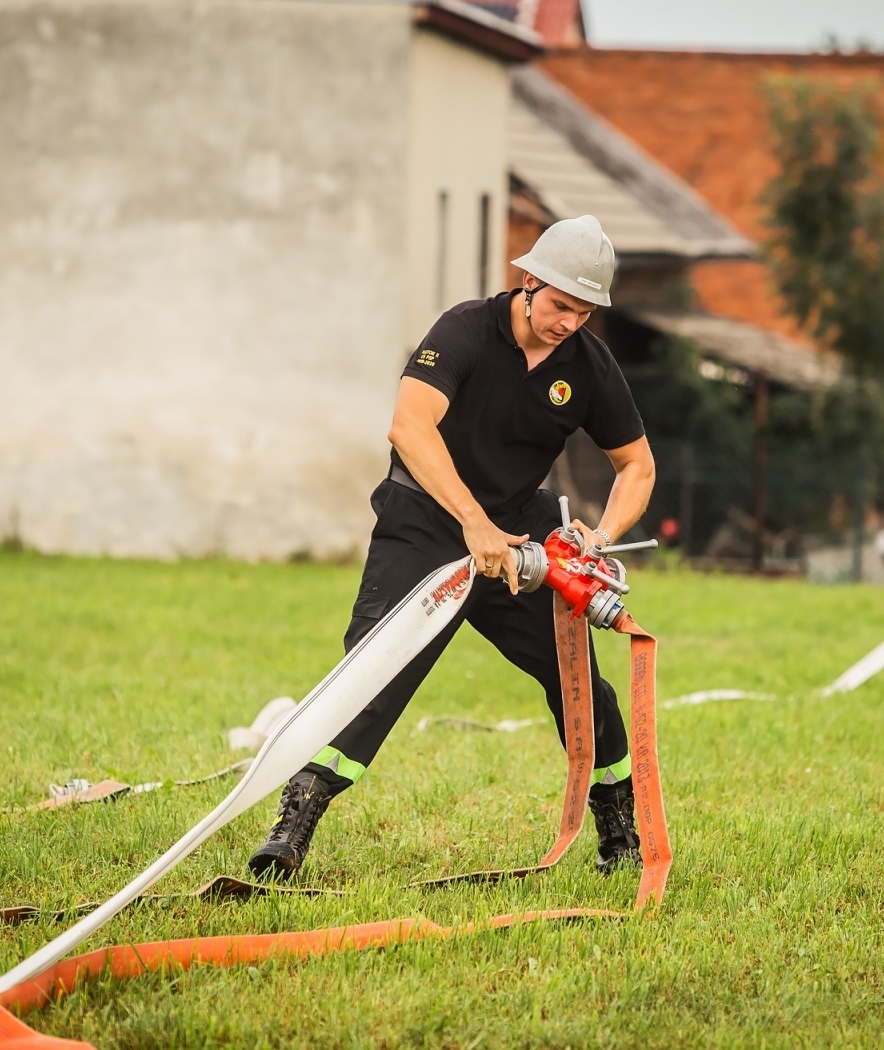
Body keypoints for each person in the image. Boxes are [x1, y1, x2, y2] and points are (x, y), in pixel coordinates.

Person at [247, 216, 657, 880]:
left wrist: (597, 536)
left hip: (516, 530)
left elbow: (637, 467)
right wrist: (471, 522)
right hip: (427, 517)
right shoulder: (465, 329)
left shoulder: (588, 366)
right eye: (559, 305)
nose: (568, 323)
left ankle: (619, 834)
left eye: (584, 312)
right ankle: (296, 821)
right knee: (374, 670)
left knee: (578, 677)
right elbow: (409, 428)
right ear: (529, 282)